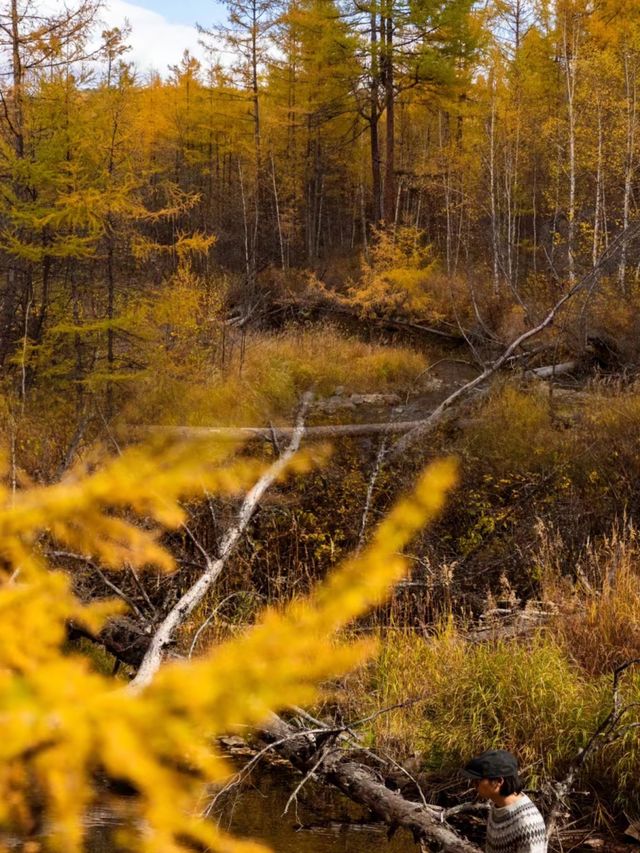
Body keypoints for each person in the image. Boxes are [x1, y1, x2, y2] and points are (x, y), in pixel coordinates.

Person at [462, 749, 547, 853]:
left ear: (499, 781)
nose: (473, 785)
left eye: (478, 781)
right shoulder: (498, 805)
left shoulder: (528, 825)